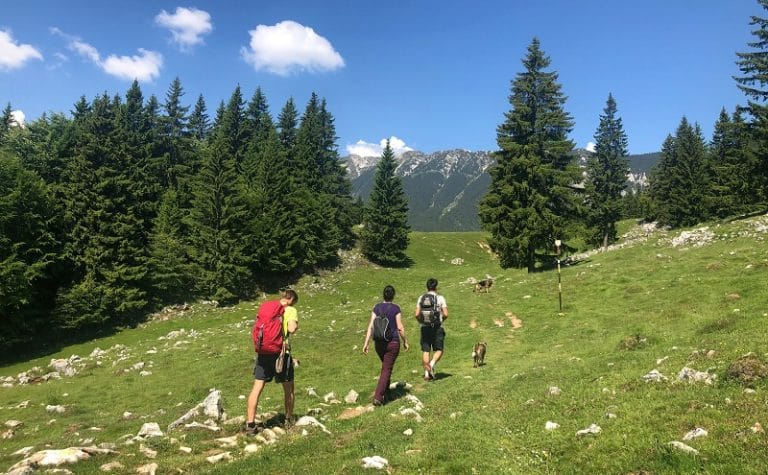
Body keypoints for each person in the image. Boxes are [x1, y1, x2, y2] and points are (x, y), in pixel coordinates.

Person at [245, 289, 299, 435]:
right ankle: (288, 420)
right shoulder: (290, 310)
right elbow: (292, 328)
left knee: (257, 388)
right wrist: (294, 326)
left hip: (263, 353)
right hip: (281, 354)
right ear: (292, 300)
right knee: (288, 389)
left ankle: (250, 424)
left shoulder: (267, 306)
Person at [362, 285, 409, 405]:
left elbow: (371, 326)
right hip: (392, 342)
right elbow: (400, 327)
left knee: (386, 367)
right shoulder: (396, 308)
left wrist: (366, 343)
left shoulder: (376, 307)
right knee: (387, 368)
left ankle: (386, 391)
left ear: (383, 294)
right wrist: (405, 341)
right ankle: (378, 396)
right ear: (393, 296)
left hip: (379, 343)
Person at [415, 278, 448, 381]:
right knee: (439, 349)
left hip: (424, 327)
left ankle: (426, 374)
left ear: (427, 287)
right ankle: (432, 364)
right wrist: (441, 319)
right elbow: (446, 314)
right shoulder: (440, 298)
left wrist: (421, 321)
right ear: (436, 287)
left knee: (426, 350)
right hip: (437, 327)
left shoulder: (421, 298)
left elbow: (416, 314)